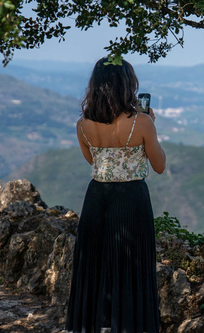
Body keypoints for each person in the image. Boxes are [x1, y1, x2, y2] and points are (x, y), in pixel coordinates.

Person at [65, 57, 166, 333]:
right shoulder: (142, 122)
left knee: (95, 265)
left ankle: (92, 325)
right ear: (127, 85)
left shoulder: (83, 124)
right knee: (132, 266)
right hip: (131, 199)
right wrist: (151, 126)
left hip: (97, 198)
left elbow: (95, 163)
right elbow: (159, 166)